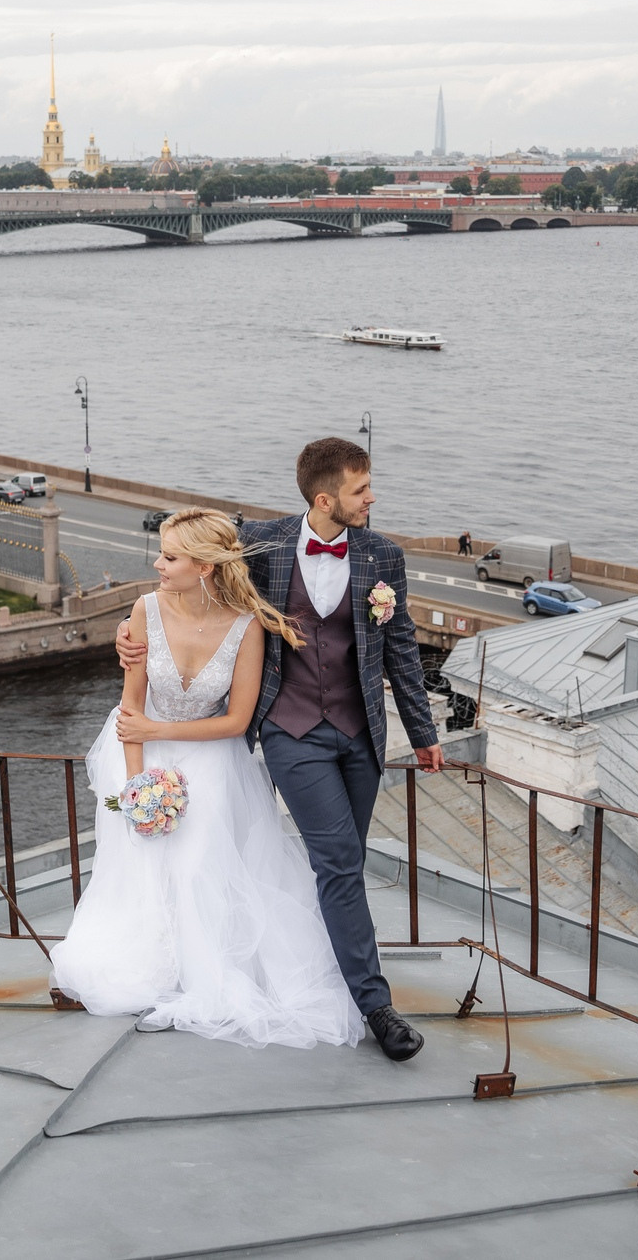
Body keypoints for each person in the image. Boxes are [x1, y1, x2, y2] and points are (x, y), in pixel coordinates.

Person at [115, 437, 443, 1064]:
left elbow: (400, 646)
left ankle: (327, 969)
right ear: (326, 499)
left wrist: (423, 736)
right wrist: (127, 634)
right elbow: (190, 564)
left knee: (342, 861)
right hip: (292, 732)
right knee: (340, 861)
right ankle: (377, 1007)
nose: (372, 498)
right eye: (361, 490)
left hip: (361, 733)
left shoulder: (384, 557)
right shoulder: (263, 541)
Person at [54, 508, 360, 1049]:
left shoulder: (246, 626)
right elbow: (130, 709)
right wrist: (136, 788)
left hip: (213, 755)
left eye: (170, 556)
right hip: (141, 753)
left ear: (205, 567)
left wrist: (159, 725)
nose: (158, 563)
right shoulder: (143, 610)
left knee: (197, 866)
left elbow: (237, 721)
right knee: (143, 865)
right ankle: (150, 965)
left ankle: (207, 974)